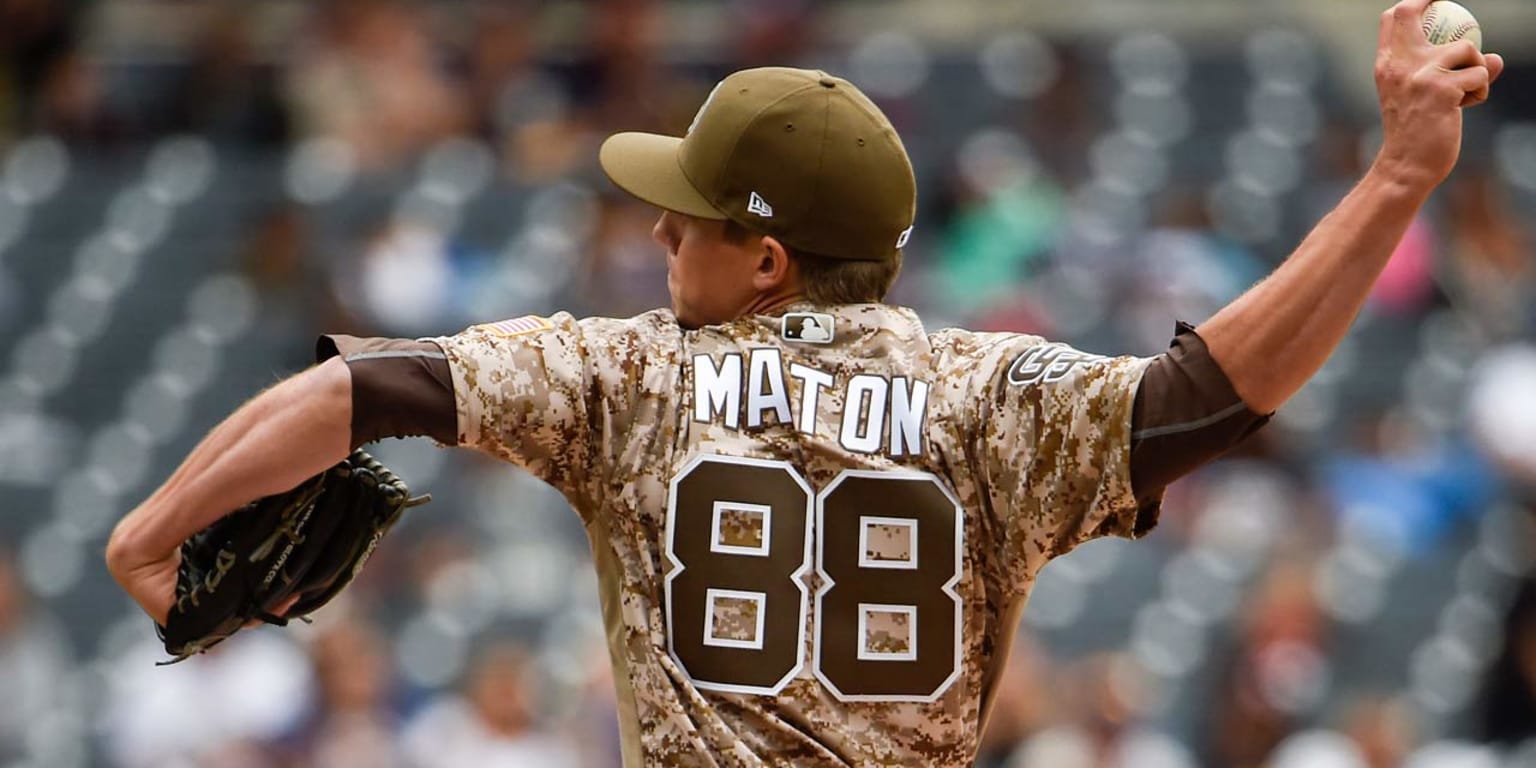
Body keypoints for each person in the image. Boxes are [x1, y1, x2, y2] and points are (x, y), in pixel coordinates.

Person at [106, 3, 1502, 764]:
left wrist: (153, 536)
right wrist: (1392, 179)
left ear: (767, 260)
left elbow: (358, 393)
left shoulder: (627, 375)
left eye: (692, 216)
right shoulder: (988, 397)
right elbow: (1212, 398)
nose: (660, 231)